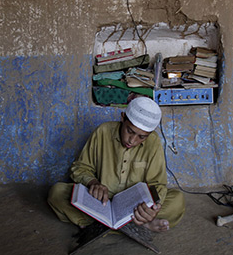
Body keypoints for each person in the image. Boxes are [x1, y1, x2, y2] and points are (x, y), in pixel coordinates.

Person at [47, 96, 185, 233]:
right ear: (123, 118)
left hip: (134, 206)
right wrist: (93, 183)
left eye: (141, 137)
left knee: (177, 201)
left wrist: (153, 208)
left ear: (148, 134)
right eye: (129, 131)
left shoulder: (153, 142)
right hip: (101, 202)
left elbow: (157, 184)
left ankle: (100, 225)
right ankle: (136, 225)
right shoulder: (103, 131)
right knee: (57, 192)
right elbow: (80, 167)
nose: (132, 140)